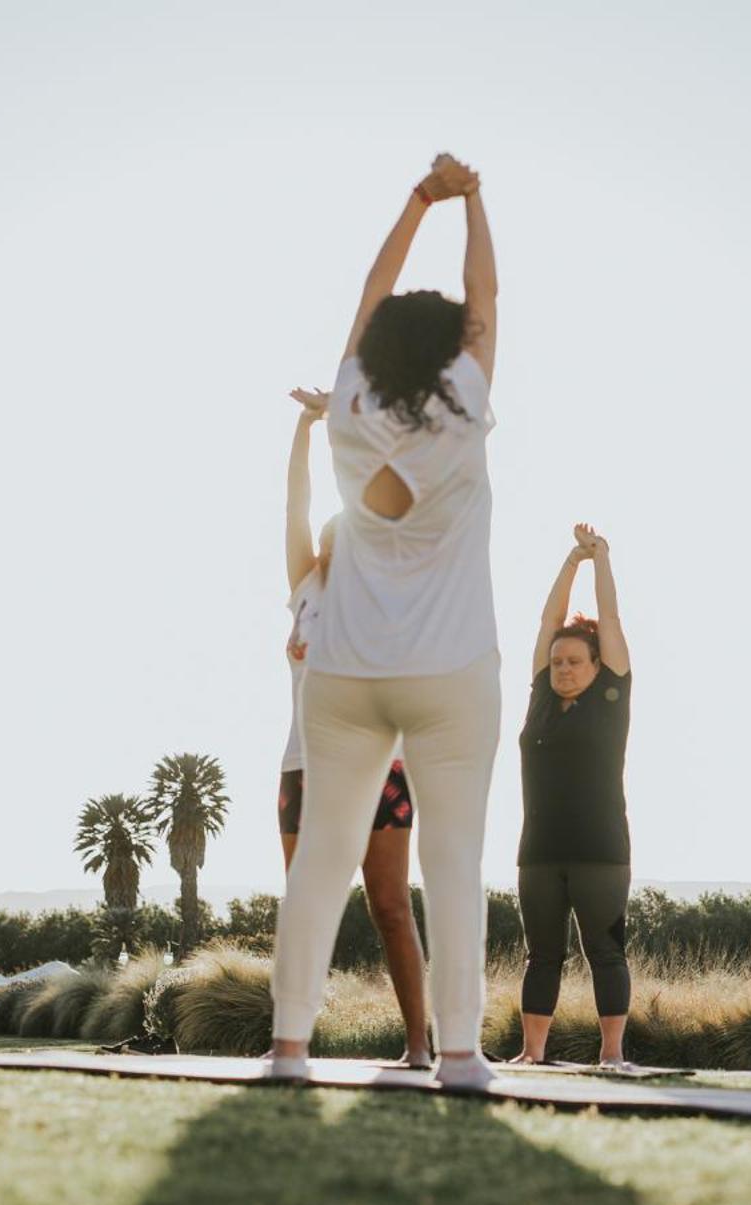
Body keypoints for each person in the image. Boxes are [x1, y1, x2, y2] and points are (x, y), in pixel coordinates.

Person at [267, 151, 502, 1088]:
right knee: (452, 862)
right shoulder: (466, 406)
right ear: (453, 350)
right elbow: (485, 295)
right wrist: (472, 198)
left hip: (348, 668)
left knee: (321, 859)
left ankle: (289, 1048)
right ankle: (458, 1055)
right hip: (448, 668)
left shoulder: (351, 406)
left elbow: (372, 288)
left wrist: (416, 202)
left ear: (373, 351)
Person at [276, 387, 430, 1069]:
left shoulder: (384, 604)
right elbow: (294, 511)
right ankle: (291, 1042)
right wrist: (307, 429)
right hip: (302, 766)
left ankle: (421, 1045)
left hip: (376, 770)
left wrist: (355, 427)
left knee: (391, 907)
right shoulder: (307, 592)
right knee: (307, 906)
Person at [509, 524, 634, 1068]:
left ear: (596, 665)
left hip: (601, 849)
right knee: (542, 955)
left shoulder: (611, 694)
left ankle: (611, 1055)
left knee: (604, 953)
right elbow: (546, 623)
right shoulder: (539, 699)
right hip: (538, 850)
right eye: (557, 662)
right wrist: (568, 561)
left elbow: (609, 622)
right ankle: (532, 1055)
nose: (562, 668)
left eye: (573, 662)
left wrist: (599, 560)